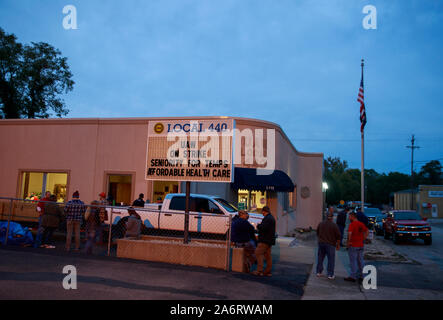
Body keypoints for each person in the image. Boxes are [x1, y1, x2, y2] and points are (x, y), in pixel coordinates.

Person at [345, 211, 369, 283]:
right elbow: (367, 231)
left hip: (353, 245)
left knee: (353, 261)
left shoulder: (352, 224)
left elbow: (350, 234)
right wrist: (363, 238)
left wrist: (348, 242)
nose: (348, 218)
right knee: (360, 261)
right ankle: (363, 276)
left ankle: (353, 276)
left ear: (353, 217)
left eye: (349, 216)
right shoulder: (361, 224)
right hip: (360, 245)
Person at [316, 211, 341, 279]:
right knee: (331, 260)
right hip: (330, 244)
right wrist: (338, 245)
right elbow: (338, 236)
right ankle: (330, 274)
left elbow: (317, 233)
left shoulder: (321, 224)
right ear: (332, 217)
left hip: (321, 243)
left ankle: (319, 272)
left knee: (320, 258)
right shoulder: (334, 225)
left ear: (326, 216)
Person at [252, 206, 276, 277]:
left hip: (264, 240)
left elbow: (263, 228)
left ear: (264, 211)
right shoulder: (271, 218)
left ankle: (259, 270)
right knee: (268, 256)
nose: (262, 213)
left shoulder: (267, 219)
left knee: (258, 253)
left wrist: (258, 225)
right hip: (269, 240)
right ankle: (267, 271)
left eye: (262, 212)